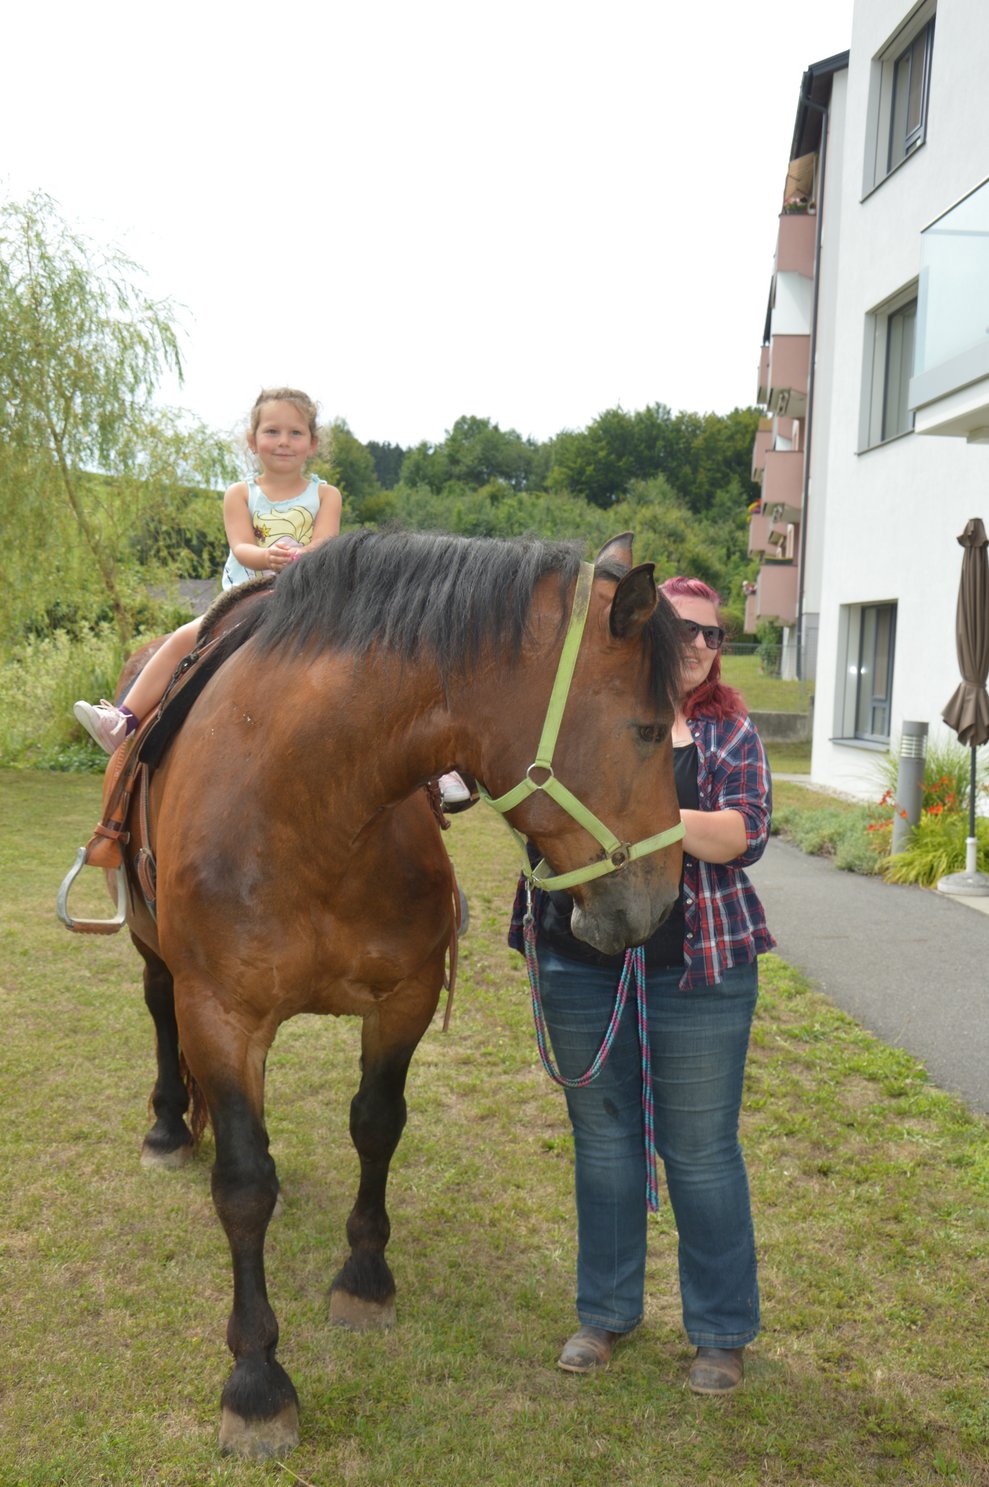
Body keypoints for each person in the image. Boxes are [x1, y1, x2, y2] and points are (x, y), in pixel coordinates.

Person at [509, 575, 775, 1394]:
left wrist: (634, 816)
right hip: (577, 960)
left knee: (698, 1153)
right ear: (647, 633)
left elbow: (738, 833)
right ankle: (606, 1313)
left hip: (697, 967)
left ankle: (720, 1331)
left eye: (713, 635)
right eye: (685, 629)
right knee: (603, 1147)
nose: (699, 645)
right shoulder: (584, 713)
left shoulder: (729, 733)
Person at [72, 385, 469, 808]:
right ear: (252, 440)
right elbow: (240, 546)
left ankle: (440, 767)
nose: (283, 442)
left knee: (379, 655)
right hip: (246, 596)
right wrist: (267, 556)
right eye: (272, 431)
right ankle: (123, 720)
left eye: (296, 433)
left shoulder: (325, 494)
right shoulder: (240, 493)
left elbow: (325, 544)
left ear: (313, 444)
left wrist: (298, 559)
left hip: (308, 599)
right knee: (181, 642)